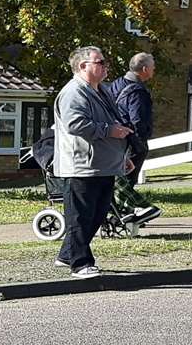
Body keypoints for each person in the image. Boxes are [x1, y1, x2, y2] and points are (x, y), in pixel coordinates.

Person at [52, 46, 132, 279]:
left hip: (103, 164)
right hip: (82, 166)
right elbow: (75, 124)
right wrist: (110, 131)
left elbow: (114, 122)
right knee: (81, 215)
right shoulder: (74, 92)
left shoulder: (100, 91)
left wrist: (122, 157)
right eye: (100, 62)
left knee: (97, 214)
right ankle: (80, 263)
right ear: (82, 66)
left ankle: (67, 254)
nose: (105, 66)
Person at [105, 52, 161, 225]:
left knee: (116, 182)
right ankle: (129, 216)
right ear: (144, 69)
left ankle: (118, 213)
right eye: (152, 66)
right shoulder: (138, 92)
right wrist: (140, 143)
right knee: (127, 182)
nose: (154, 69)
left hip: (115, 141)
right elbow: (138, 121)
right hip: (131, 142)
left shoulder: (114, 85)